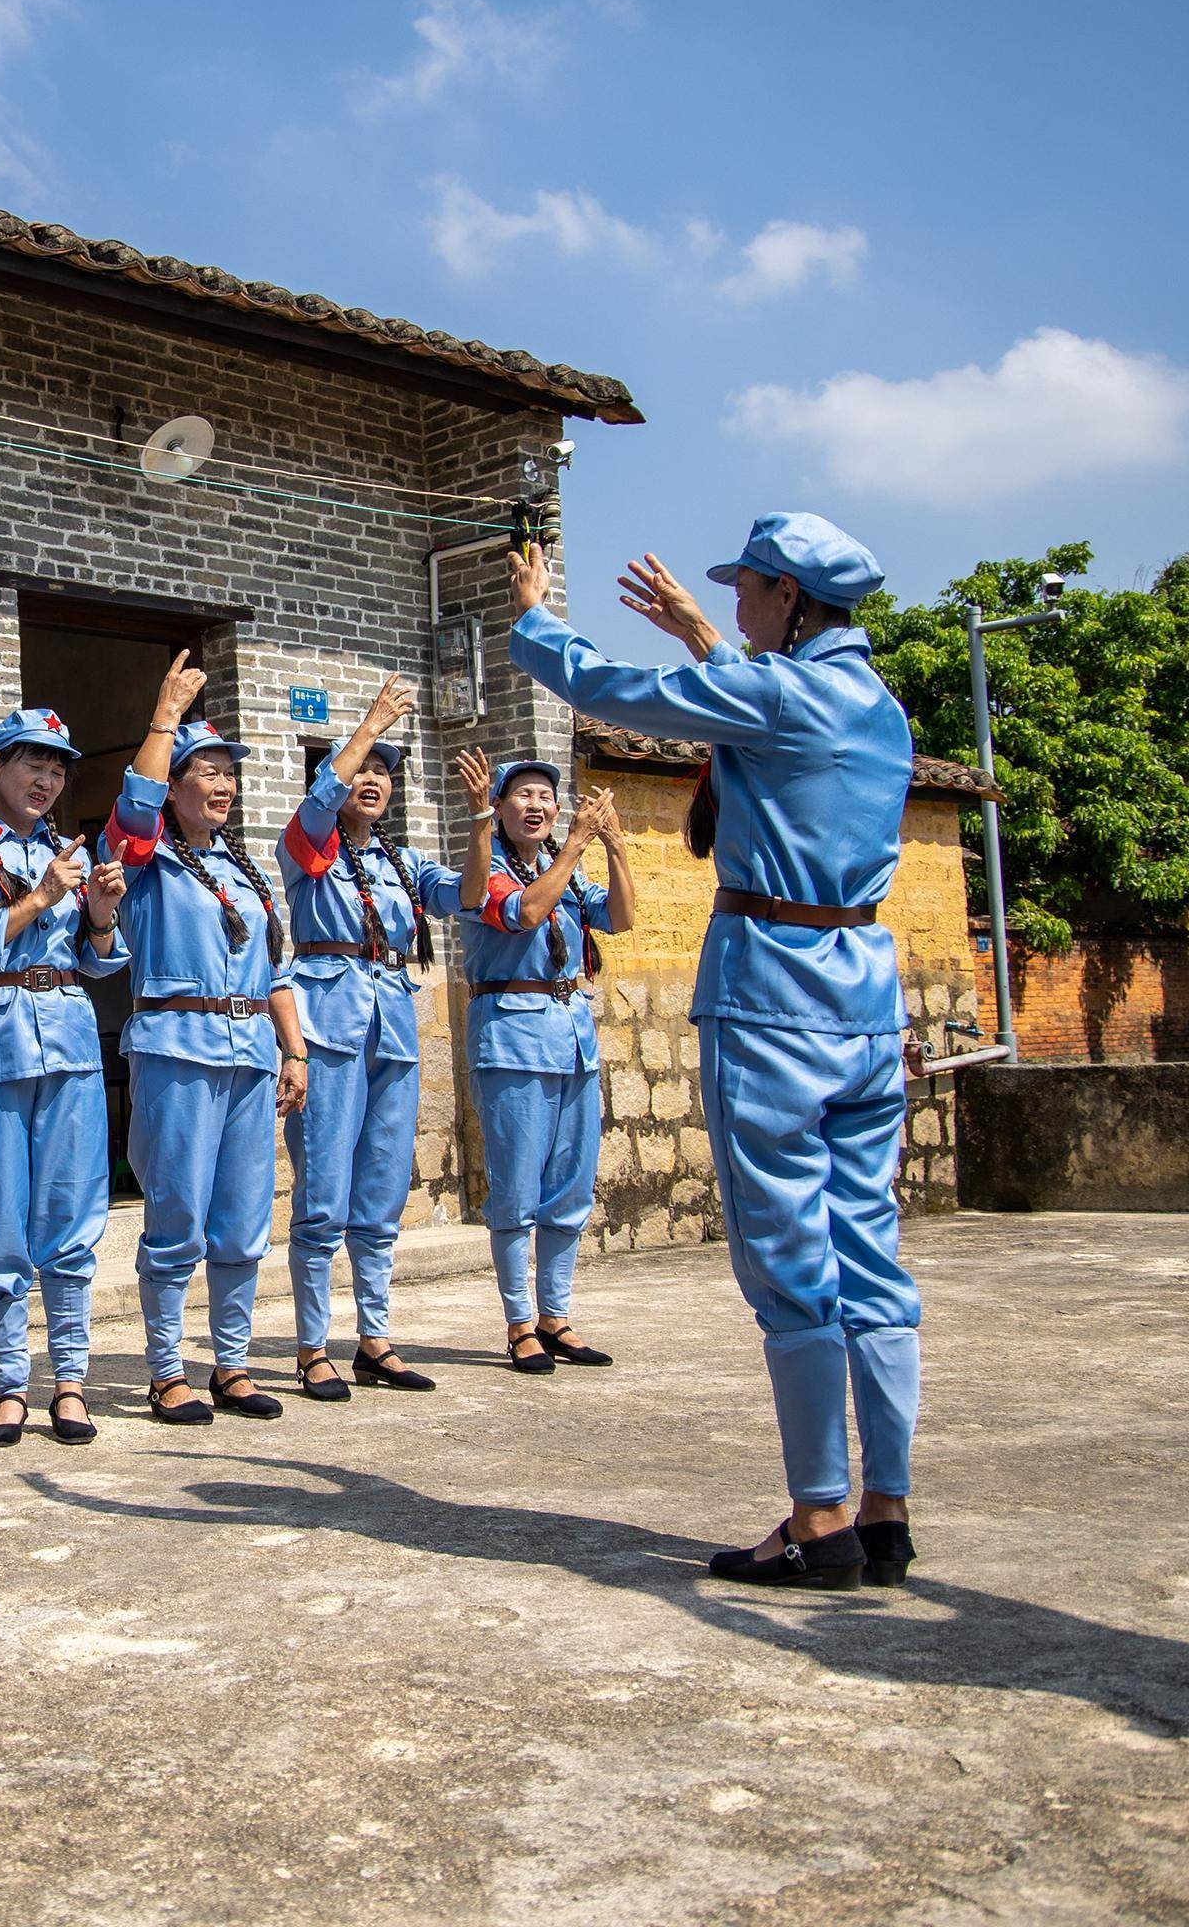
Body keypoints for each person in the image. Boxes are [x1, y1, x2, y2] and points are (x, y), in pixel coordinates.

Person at [506, 513, 918, 1592]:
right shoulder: (879, 707)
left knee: (789, 1257)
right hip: (867, 993)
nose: (732, 601)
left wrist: (536, 618)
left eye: (746, 588)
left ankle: (819, 1512)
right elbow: (764, 715)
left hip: (774, 991)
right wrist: (706, 636)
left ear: (788, 597)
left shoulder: (776, 692)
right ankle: (885, 1510)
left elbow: (608, 691)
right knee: (871, 1250)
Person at [104, 652, 306, 1425]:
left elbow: (276, 970)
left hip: (252, 1053)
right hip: (177, 1047)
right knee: (176, 1214)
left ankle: (231, 1362)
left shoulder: (246, 871)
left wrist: (294, 1051)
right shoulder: (147, 859)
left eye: (229, 773)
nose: (222, 786)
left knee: (244, 1217)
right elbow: (131, 807)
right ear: (176, 785)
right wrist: (164, 716)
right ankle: (165, 1371)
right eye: (206, 771)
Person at [274, 676, 466, 1400]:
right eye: (363, 770)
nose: (372, 781)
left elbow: (470, 897)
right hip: (328, 1024)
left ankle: (375, 1340)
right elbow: (320, 800)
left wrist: (481, 818)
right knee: (323, 1192)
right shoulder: (309, 849)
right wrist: (367, 725)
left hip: (392, 1023)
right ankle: (312, 1347)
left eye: (384, 772)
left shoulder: (401, 863)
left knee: (382, 1192)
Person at [0, 708, 130, 1447]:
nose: (46, 780)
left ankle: (72, 1379)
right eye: (32, 765)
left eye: (57, 769)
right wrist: (44, 898)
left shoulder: (67, 851)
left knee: (72, 1215)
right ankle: (7, 1384)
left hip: (68, 1041)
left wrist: (99, 914)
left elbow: (98, 960)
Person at [458, 757, 634, 1374]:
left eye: (547, 796)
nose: (538, 805)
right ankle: (520, 1323)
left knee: (571, 1188)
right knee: (516, 1190)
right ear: (500, 809)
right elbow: (525, 914)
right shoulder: (488, 873)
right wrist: (578, 845)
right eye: (523, 795)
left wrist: (613, 847)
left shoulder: (565, 873)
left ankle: (557, 1316)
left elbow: (620, 916)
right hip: (512, 1040)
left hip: (572, 1037)